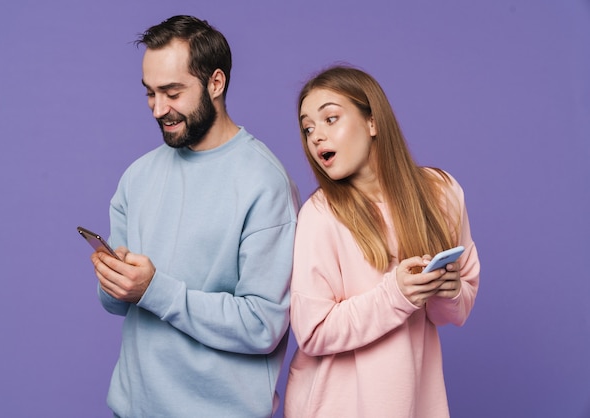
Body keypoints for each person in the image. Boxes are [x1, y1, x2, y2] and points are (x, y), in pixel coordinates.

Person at [89, 15, 300, 418]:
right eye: (150, 93)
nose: (158, 109)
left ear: (216, 83)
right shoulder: (137, 176)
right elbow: (118, 306)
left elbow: (263, 325)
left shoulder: (264, 183)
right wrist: (113, 281)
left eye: (172, 92)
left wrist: (154, 290)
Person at [284, 65, 480, 417]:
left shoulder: (441, 193)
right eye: (307, 128)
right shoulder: (319, 216)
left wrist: (448, 290)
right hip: (335, 406)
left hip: (414, 403)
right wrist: (397, 295)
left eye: (330, 119)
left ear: (373, 123)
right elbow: (312, 333)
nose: (315, 136)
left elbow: (457, 307)